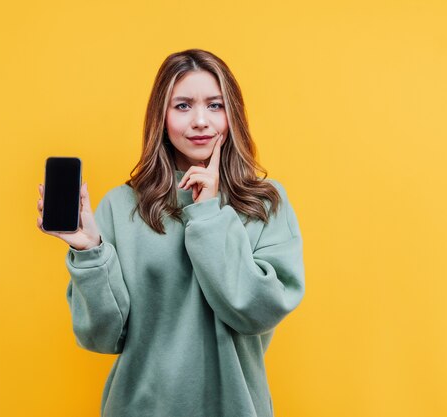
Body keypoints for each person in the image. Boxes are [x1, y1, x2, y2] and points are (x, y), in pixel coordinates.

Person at [36, 48, 305, 417]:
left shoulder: (263, 202)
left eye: (215, 105)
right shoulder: (121, 205)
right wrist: (90, 252)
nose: (200, 121)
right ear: (160, 117)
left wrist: (208, 213)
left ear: (233, 114)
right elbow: (102, 337)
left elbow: (256, 311)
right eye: (182, 106)